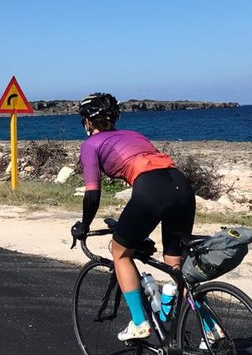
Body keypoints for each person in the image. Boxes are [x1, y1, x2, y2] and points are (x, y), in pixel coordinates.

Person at [70, 92, 196, 341]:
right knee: (175, 263)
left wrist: (83, 225)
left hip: (151, 190)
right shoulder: (135, 135)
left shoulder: (90, 145)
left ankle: (139, 323)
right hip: (182, 186)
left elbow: (93, 194)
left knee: (120, 252)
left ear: (87, 122)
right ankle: (205, 326)